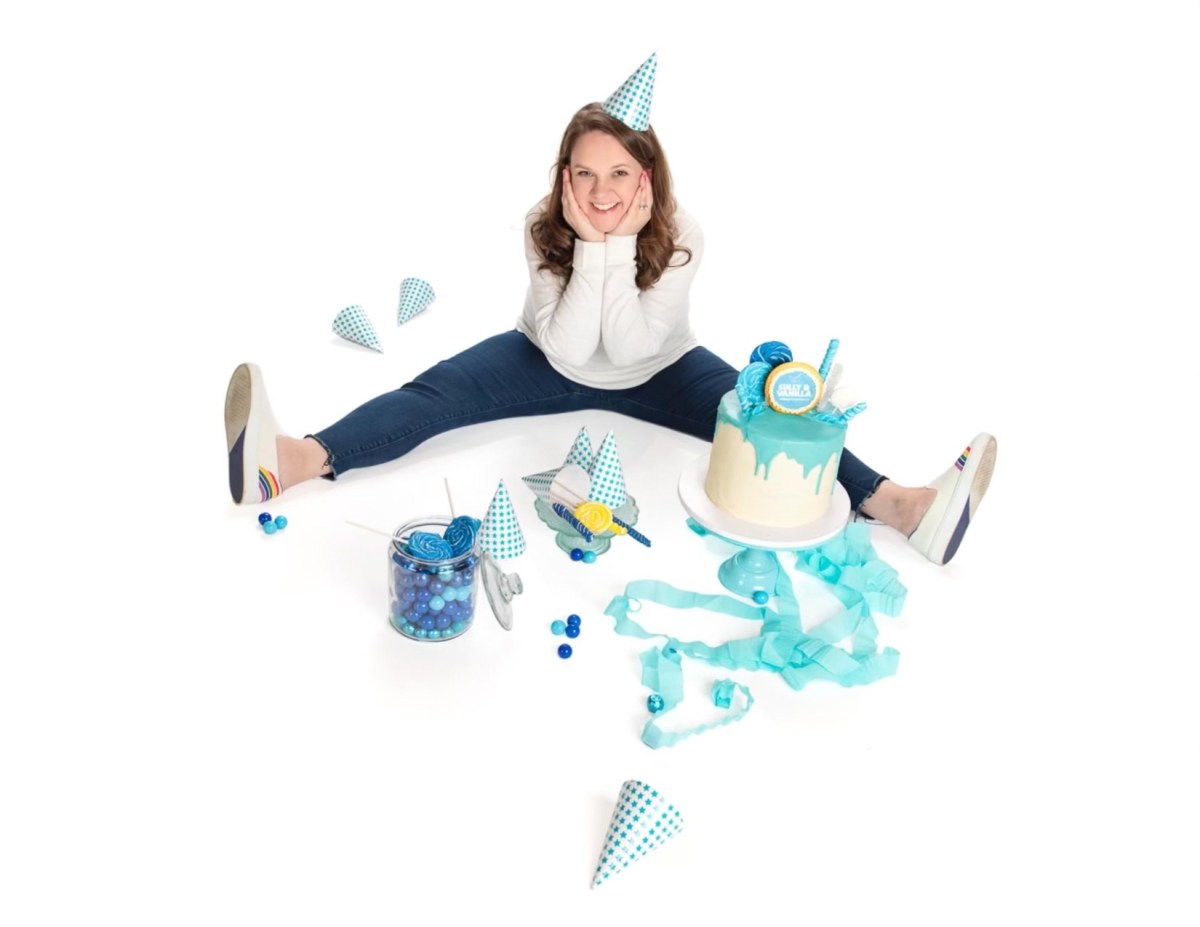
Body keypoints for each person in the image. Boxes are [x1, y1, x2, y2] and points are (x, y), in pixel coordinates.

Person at [225, 74, 996, 566]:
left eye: (621, 174)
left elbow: (630, 345)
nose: (601, 191)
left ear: (648, 178)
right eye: (586, 174)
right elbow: (565, 350)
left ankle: (902, 504)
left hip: (662, 367)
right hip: (541, 357)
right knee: (434, 396)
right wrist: (591, 247)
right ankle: (291, 460)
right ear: (565, 176)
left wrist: (616, 244)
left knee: (756, 414)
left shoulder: (684, 233)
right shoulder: (541, 222)